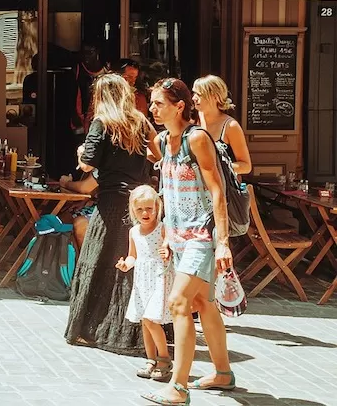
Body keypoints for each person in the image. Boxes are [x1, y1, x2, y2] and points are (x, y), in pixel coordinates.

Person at [144, 79, 234, 405]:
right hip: (179, 238)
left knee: (179, 302)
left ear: (179, 106)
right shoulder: (161, 140)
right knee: (203, 304)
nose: (152, 109)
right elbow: (167, 190)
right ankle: (222, 372)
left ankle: (178, 388)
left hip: (202, 236)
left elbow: (216, 190)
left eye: (158, 104)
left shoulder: (196, 139)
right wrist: (166, 233)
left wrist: (222, 242)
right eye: (152, 103)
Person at [65, 74, 160, 357]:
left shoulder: (102, 123)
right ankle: (134, 333)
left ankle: (95, 328)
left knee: (99, 262)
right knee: (133, 267)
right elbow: (158, 154)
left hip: (108, 205)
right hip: (137, 204)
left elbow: (86, 165)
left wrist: (83, 151)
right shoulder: (140, 121)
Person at [116, 185, 173, 384]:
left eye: (149, 208)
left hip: (159, 276)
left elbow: (168, 250)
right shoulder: (133, 232)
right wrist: (126, 265)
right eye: (140, 209)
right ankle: (151, 359)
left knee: (151, 319)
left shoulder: (163, 228)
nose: (145, 213)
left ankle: (164, 359)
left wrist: (167, 253)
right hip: (142, 280)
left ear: (158, 207)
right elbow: (133, 255)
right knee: (144, 322)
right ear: (133, 210)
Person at [193, 75, 251, 178]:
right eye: (194, 93)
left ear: (215, 96)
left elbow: (246, 166)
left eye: (199, 94)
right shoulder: (192, 123)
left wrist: (218, 168)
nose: (194, 98)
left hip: (222, 189)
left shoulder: (230, 126)